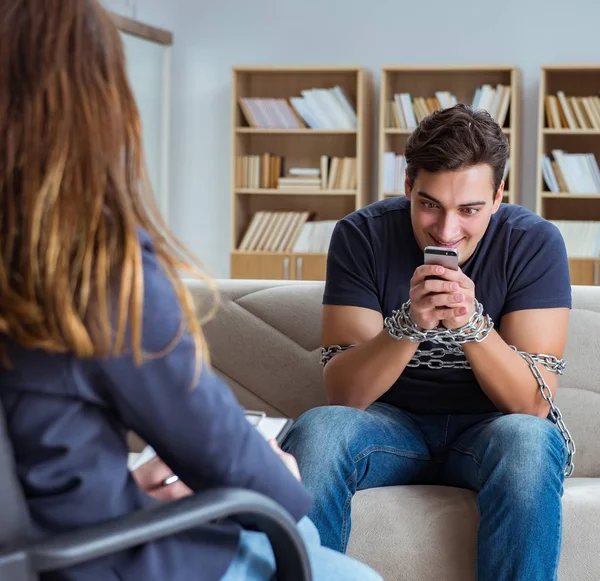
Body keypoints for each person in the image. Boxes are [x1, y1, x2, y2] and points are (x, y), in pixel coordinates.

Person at [0, 1, 383, 580]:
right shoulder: (91, 267)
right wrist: (281, 473)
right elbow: (221, 452)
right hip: (92, 561)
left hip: (44, 542)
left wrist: (122, 489)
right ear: (93, 104)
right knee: (332, 555)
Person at [282, 103, 574, 581]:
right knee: (321, 430)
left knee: (528, 441)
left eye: (470, 210)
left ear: (498, 196)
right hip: (389, 427)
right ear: (407, 187)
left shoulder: (533, 242)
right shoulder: (362, 235)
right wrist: (408, 325)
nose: (446, 230)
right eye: (429, 204)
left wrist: (470, 324)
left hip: (490, 429)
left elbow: (530, 404)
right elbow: (344, 396)